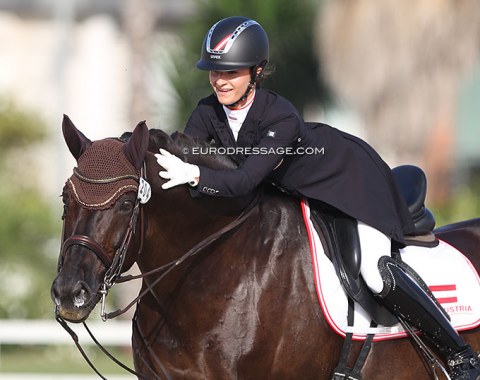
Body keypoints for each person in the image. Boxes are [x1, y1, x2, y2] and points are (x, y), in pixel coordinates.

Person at [155, 16, 480, 379]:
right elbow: (186, 154)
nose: (220, 80)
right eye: (214, 72)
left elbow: (245, 179)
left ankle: (459, 355)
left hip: (348, 182)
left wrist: (197, 174)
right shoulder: (206, 112)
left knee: (373, 270)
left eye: (231, 72)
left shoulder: (280, 117)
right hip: (295, 191)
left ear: (257, 71)